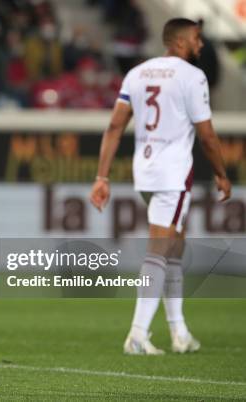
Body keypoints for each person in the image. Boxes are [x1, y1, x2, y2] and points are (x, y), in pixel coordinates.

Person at [89, 18, 231, 355]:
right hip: (173, 174)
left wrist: (102, 176)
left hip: (146, 170)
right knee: (160, 250)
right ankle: (137, 334)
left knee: (175, 247)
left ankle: (179, 331)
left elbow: (114, 125)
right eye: (197, 39)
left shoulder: (138, 72)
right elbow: (207, 134)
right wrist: (222, 174)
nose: (200, 45)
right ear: (179, 43)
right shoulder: (192, 76)